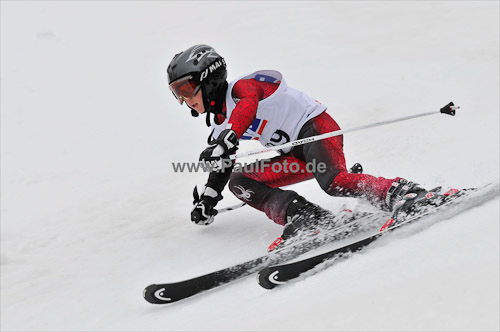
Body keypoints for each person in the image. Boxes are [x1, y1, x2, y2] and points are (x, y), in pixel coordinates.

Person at [167, 44, 433, 251]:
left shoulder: (243, 87)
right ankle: (306, 218)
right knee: (239, 180)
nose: (183, 99)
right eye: (176, 93)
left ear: (209, 78)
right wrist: (209, 198)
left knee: (334, 182)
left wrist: (229, 137)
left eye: (186, 88)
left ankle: (404, 193)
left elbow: (247, 106)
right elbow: (222, 165)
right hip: (296, 157)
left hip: (316, 130)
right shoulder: (221, 127)